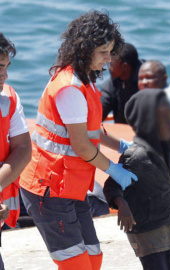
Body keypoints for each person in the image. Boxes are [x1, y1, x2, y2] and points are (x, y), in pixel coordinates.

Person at [20, 11, 138, 270]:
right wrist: (114, 169)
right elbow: (82, 145)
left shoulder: (87, 81)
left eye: (110, 51)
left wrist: (123, 147)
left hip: (70, 186)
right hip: (49, 189)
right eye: (103, 52)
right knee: (77, 265)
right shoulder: (70, 88)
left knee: (94, 258)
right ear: (85, 50)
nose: (109, 59)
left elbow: (93, 130)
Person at [104, 89, 170, 270]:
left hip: (164, 225)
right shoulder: (134, 156)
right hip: (146, 229)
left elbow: (165, 184)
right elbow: (111, 185)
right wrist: (121, 204)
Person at [0, 33, 32, 268]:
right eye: (0, 67)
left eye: (7, 67)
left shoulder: (8, 98)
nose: (6, 75)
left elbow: (23, 149)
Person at [100, 43, 143, 123]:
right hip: (123, 133)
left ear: (124, 66)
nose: (109, 67)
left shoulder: (147, 82)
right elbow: (99, 113)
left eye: (112, 64)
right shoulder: (112, 84)